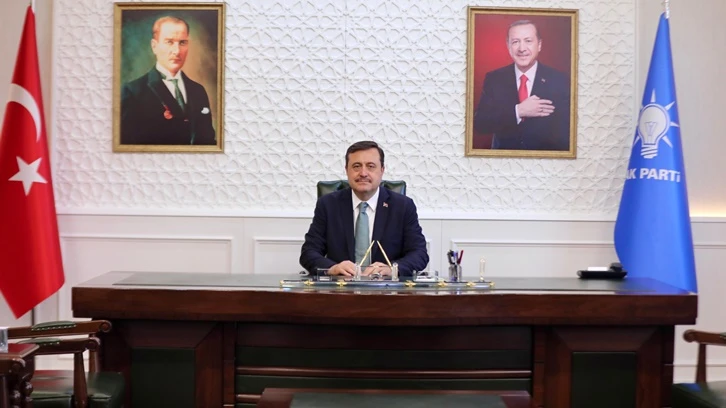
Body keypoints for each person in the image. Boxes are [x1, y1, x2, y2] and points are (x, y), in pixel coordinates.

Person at [300, 141, 429, 278]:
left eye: (370, 166)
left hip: (387, 287)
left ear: (382, 170)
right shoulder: (328, 205)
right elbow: (309, 252)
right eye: (356, 166)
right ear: (347, 170)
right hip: (341, 286)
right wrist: (332, 268)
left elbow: (419, 253)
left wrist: (392, 269)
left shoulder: (403, 206)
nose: (363, 173)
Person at [473, 20, 570, 151]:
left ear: (539, 45)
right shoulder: (494, 79)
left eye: (528, 41)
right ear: (508, 46)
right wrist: (518, 111)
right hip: (503, 159)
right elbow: (480, 124)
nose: (522, 48)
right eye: (515, 42)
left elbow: (567, 132)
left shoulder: (559, 80)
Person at [120, 16, 216, 145]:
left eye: (182, 42)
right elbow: (127, 146)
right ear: (154, 46)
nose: (177, 51)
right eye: (169, 42)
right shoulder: (133, 92)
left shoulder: (198, 90)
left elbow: (208, 141)